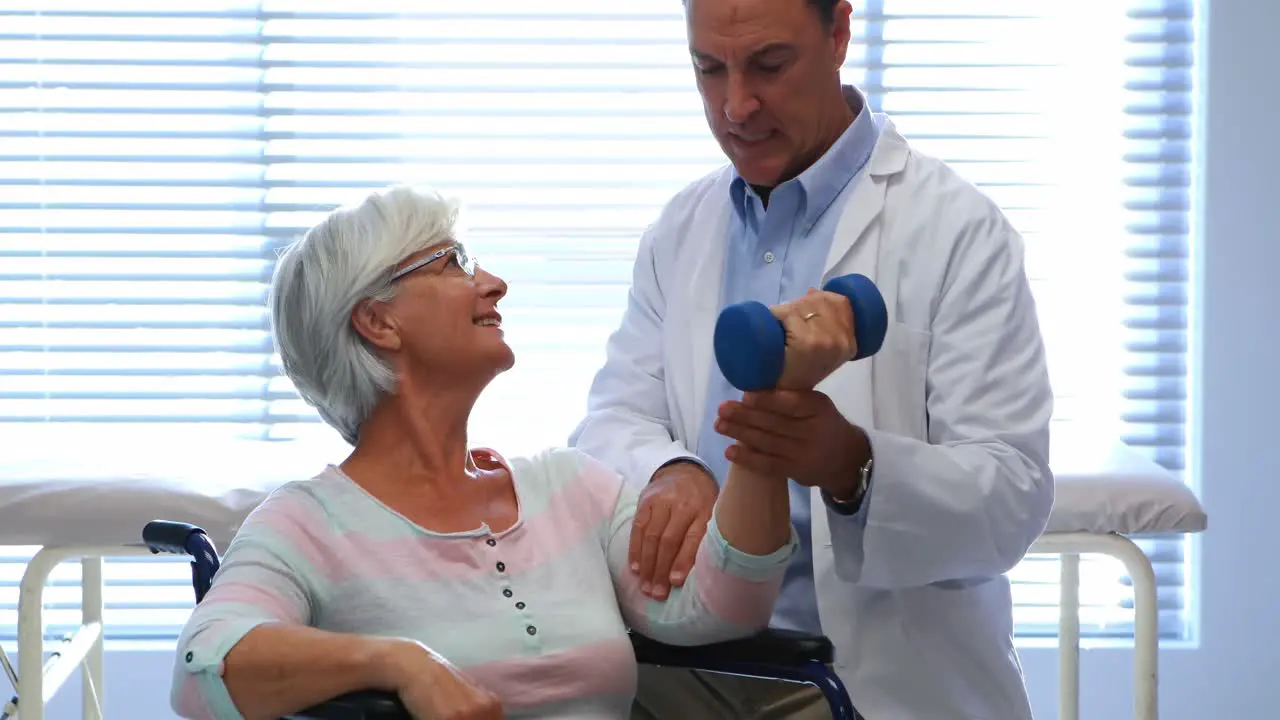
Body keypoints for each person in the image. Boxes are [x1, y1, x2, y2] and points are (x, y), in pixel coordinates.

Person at [165, 184, 878, 720]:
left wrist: (766, 410)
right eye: (452, 263)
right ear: (378, 321)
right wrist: (398, 662)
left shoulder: (568, 488)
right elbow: (200, 672)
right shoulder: (307, 524)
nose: (493, 282)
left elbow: (723, 608)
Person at [568, 0, 1056, 718]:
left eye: (769, 64)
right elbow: (612, 419)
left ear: (837, 33)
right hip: (688, 675)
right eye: (709, 69)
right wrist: (671, 472)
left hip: (881, 685)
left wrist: (854, 466)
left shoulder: (957, 231)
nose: (737, 105)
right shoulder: (680, 230)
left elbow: (1011, 497)